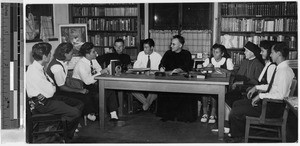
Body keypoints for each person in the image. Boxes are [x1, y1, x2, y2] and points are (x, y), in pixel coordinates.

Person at [226, 42, 294, 143]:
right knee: (236, 104)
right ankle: (241, 133)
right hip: (270, 103)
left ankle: (239, 138)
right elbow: (273, 86)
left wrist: (260, 96)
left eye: (272, 53)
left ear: (279, 54)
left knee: (235, 112)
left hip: (273, 108)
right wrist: (256, 87)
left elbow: (281, 95)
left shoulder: (284, 71)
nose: (270, 55)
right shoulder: (281, 68)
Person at [26, 42, 84, 141]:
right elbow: (51, 91)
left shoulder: (39, 68)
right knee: (75, 112)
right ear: (44, 56)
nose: (50, 55)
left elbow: (52, 85)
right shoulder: (34, 72)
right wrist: (51, 86)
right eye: (49, 53)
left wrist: (51, 86)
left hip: (47, 99)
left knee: (79, 103)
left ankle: (60, 127)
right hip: (42, 104)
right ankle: (64, 135)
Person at [46, 42, 98, 121]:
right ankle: (79, 117)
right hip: (56, 93)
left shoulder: (61, 62)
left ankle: (88, 113)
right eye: (71, 53)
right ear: (65, 54)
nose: (72, 55)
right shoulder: (57, 67)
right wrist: (79, 90)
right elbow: (62, 87)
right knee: (83, 96)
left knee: (88, 92)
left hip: (60, 89)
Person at [72, 42, 119, 121]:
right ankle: (93, 114)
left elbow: (99, 70)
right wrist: (100, 73)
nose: (96, 53)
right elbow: (87, 81)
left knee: (110, 89)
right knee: (98, 95)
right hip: (82, 87)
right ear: (87, 54)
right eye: (93, 52)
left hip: (92, 85)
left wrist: (107, 70)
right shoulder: (81, 64)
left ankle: (113, 114)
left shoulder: (93, 60)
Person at [156, 35, 197, 122]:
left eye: (173, 44)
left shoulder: (186, 54)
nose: (171, 46)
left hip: (183, 80)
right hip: (169, 80)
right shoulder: (168, 53)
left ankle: (182, 116)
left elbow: (188, 67)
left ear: (180, 45)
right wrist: (162, 67)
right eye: (171, 44)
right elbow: (162, 64)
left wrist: (179, 70)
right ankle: (168, 115)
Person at [200, 44, 234, 124]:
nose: (214, 54)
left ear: (222, 54)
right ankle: (205, 113)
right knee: (204, 92)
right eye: (213, 52)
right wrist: (207, 67)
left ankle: (212, 113)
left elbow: (231, 73)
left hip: (222, 85)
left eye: (217, 52)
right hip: (209, 83)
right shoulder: (209, 60)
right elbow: (202, 71)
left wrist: (221, 70)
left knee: (214, 92)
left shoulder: (227, 60)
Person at [225, 41, 264, 108]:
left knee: (230, 97)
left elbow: (256, 81)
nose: (244, 52)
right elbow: (239, 75)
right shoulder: (245, 61)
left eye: (246, 51)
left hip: (250, 89)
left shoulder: (258, 64)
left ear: (252, 52)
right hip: (241, 87)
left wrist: (240, 83)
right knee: (227, 96)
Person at [132, 38, 162, 111]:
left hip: (153, 80)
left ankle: (145, 105)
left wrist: (152, 72)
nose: (144, 49)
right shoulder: (141, 54)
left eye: (146, 47)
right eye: (144, 47)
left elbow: (160, 71)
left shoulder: (158, 57)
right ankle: (147, 104)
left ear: (152, 47)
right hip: (142, 78)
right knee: (132, 89)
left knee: (156, 90)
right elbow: (136, 67)